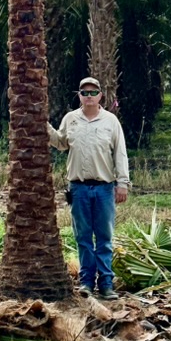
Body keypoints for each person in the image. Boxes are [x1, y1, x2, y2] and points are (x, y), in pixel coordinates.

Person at [47, 76, 129, 299]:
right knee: (83, 237)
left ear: (100, 96)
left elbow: (120, 154)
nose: (89, 96)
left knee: (104, 238)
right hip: (79, 188)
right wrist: (41, 123)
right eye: (85, 93)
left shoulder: (111, 121)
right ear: (79, 96)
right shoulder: (71, 119)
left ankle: (106, 284)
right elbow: (61, 143)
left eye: (94, 92)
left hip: (104, 188)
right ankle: (86, 283)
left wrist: (122, 183)